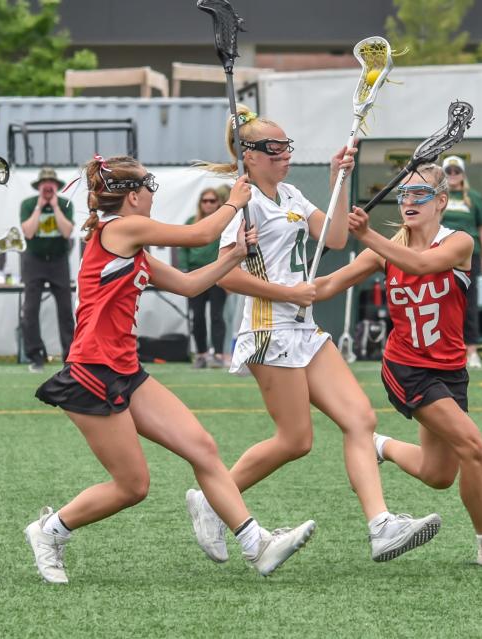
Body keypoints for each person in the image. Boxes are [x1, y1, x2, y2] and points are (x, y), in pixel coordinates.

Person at [25, 155, 315, 584]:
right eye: (149, 188)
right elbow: (199, 232)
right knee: (132, 486)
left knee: (202, 448)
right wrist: (235, 201)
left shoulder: (133, 249)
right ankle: (49, 532)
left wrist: (235, 254)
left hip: (127, 369)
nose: (152, 196)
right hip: (92, 373)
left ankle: (257, 546)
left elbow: (190, 284)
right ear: (132, 196)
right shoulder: (121, 228)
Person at [184, 105, 440, 565]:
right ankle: (211, 498)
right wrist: (287, 291)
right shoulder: (242, 203)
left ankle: (381, 526)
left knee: (360, 418)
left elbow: (337, 239)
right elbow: (226, 276)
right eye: (275, 147)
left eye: (287, 146)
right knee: (295, 439)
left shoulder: (292, 194)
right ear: (251, 155)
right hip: (268, 328)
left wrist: (337, 180)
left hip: (304, 327)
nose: (285, 154)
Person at [313, 164, 482, 569]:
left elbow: (421, 265)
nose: (409, 202)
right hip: (407, 369)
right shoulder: (383, 250)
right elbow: (326, 285)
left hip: (451, 370)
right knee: (474, 448)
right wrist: (279, 293)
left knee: (438, 474)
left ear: (442, 201)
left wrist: (369, 236)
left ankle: (382, 446)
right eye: (404, 195)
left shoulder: (460, 242)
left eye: (420, 195)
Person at [19, 167, 76, 373]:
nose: (47, 186)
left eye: (51, 183)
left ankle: (70, 357)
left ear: (56, 186)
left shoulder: (64, 204)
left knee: (65, 310)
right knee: (30, 310)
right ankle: (36, 356)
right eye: (44, 183)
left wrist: (55, 207)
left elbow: (67, 231)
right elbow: (29, 232)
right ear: (39, 186)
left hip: (59, 261)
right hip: (34, 261)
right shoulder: (27, 204)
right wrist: (39, 207)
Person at [441, 156, 482, 369]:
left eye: (456, 171)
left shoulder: (474, 197)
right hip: (441, 254)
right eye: (449, 171)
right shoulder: (438, 196)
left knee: (469, 303)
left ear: (462, 173)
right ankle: (445, 351)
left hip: (470, 256)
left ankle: (472, 352)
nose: (453, 175)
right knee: (442, 301)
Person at [179, 187, 228, 368]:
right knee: (198, 317)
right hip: (195, 276)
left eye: (212, 201)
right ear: (200, 203)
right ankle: (201, 355)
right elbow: (182, 247)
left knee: (217, 316)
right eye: (205, 201)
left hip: (217, 276)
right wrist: (183, 269)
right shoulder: (191, 222)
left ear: (218, 203)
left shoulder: (223, 224)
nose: (208, 204)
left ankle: (219, 355)